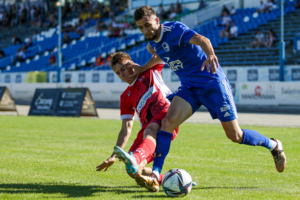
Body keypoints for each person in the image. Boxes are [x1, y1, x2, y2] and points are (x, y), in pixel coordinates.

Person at [126, 5, 286, 190]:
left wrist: (210, 55)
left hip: (212, 83)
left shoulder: (174, 29)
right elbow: (161, 55)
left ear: (157, 21)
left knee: (235, 135)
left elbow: (202, 39)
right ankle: (155, 174)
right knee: (167, 123)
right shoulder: (152, 43)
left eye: (147, 24)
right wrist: (142, 68)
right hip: (189, 88)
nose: (145, 30)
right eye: (141, 27)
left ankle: (273, 145)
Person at [96, 52, 179, 192]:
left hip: (166, 118)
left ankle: (137, 160)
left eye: (123, 68)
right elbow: (125, 129)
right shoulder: (125, 97)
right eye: (118, 73)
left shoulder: (150, 71)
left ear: (130, 63)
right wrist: (113, 156)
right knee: (132, 170)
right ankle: (168, 180)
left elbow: (161, 53)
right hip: (148, 132)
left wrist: (141, 66)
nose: (122, 74)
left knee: (150, 130)